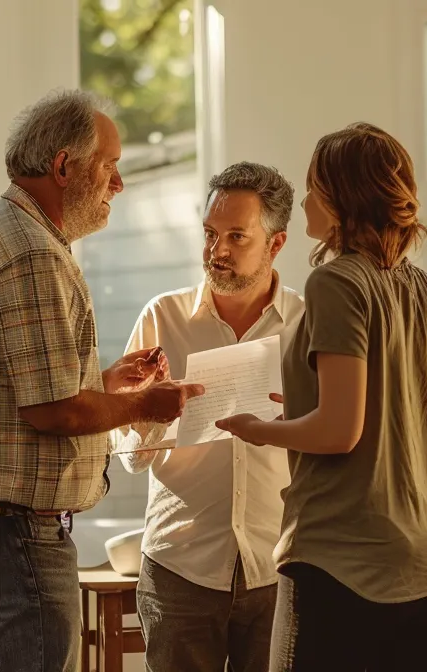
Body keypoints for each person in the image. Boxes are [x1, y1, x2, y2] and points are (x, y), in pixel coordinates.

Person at [0, 89, 204, 672]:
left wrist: (108, 382)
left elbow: (23, 387)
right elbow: (53, 412)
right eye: (109, 166)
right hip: (10, 542)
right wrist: (149, 405)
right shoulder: (32, 255)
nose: (119, 184)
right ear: (64, 166)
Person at [216, 122, 427, 672]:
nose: (308, 198)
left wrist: (260, 428)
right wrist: (307, 414)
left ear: (343, 200)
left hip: (343, 563)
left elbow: (340, 431)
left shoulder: (336, 282)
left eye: (316, 187)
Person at [112, 162, 302, 672]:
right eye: (210, 234)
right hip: (181, 567)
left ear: (276, 243)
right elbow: (128, 458)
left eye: (236, 236)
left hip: (279, 565)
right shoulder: (162, 317)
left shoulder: (309, 324)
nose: (216, 251)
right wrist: (149, 411)